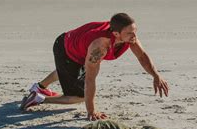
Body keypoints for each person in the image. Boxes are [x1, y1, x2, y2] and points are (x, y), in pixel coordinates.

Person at [20, 13, 169, 120]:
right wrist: (91, 111)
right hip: (65, 50)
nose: (134, 36)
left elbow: (142, 56)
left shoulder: (129, 38)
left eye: (135, 31)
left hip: (77, 46)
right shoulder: (100, 46)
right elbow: (90, 79)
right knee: (80, 96)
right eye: (130, 33)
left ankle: (40, 86)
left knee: (69, 72)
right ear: (116, 34)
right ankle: (39, 99)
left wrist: (156, 76)